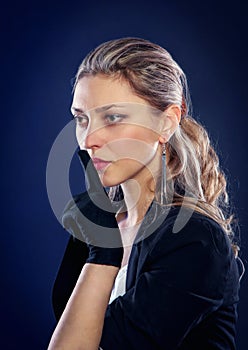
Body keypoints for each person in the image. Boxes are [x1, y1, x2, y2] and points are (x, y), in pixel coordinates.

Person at [48, 37, 243, 350]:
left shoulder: (195, 239)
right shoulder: (96, 227)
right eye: (81, 118)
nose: (88, 140)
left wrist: (105, 255)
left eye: (112, 117)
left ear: (166, 124)